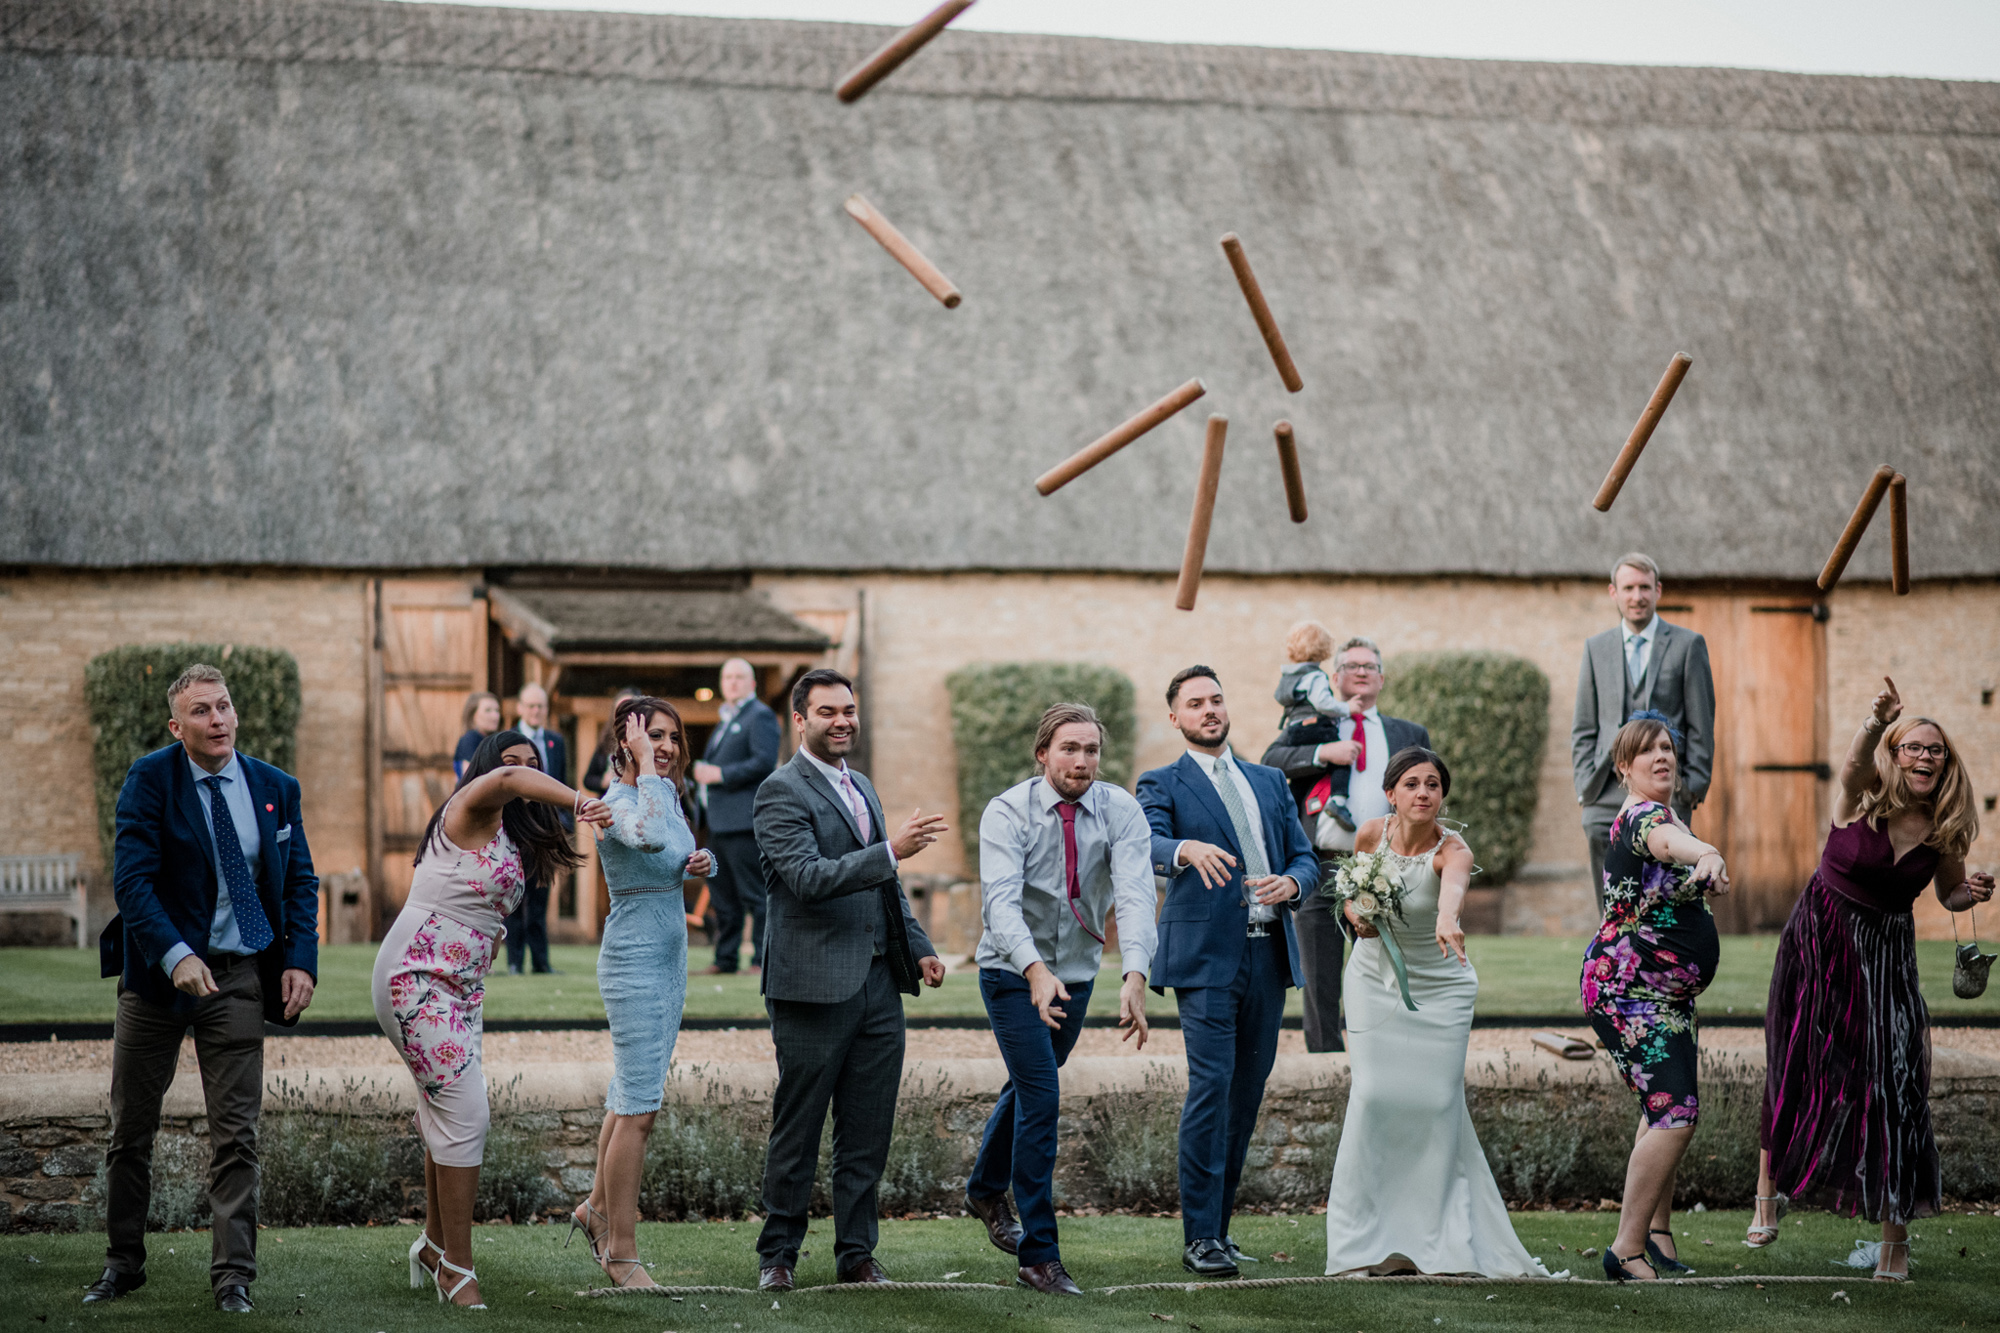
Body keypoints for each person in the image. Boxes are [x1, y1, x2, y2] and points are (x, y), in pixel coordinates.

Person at [91, 664, 321, 1314]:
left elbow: (301, 881)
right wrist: (175, 954)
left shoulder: (275, 787)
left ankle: (233, 1281)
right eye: (201, 710)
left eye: (223, 706)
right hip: (157, 980)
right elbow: (133, 882)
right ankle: (122, 1263)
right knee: (130, 1128)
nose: (217, 719)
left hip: (240, 974)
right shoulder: (149, 780)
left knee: (238, 1135)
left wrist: (299, 960)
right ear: (176, 725)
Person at [1751, 678, 1991, 1280]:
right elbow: (1857, 761)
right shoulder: (1860, 798)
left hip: (1886, 957)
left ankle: (1894, 1246)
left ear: (1947, 763)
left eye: (1935, 750)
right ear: (1895, 753)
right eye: (1913, 746)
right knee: (1796, 1060)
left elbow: (1949, 893)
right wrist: (1876, 719)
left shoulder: (1942, 829)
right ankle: (1766, 1199)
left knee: (1893, 1084)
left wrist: (1975, 890)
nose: (1925, 757)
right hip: (1820, 937)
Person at [373, 729, 609, 1308]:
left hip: (463, 988)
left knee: (445, 1112)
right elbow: (505, 781)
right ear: (488, 768)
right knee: (467, 1113)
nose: (523, 773)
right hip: (416, 977)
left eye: (535, 765)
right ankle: (457, 1268)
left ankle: (433, 1246)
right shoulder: (472, 805)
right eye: (513, 764)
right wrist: (577, 798)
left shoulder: (509, 834)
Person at [752, 668, 948, 1291]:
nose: (843, 721)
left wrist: (917, 948)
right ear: (800, 720)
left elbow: (885, 886)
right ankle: (777, 1256)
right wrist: (891, 850)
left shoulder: (860, 784)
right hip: (810, 986)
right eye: (829, 711)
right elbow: (808, 878)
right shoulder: (779, 791)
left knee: (866, 1133)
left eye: (849, 710)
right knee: (799, 1129)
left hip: (878, 987)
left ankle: (857, 1255)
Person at [1324, 747, 1551, 1277]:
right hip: (1372, 981)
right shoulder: (1369, 834)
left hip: (1442, 988)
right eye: (1411, 784)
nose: (1423, 792)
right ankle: (1365, 1243)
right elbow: (1353, 895)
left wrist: (1449, 919)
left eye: (1432, 784)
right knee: (1375, 1097)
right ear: (1391, 794)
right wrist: (1357, 912)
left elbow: (1451, 893)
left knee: (1435, 1102)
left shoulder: (1454, 850)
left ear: (1442, 795)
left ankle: (1436, 1240)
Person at [965, 703, 1158, 1296]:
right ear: (1043, 753)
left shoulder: (1119, 809)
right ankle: (1038, 1255)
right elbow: (999, 902)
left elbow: (1133, 892)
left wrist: (1134, 975)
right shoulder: (1006, 812)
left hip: (1076, 974)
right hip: (1009, 973)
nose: (1082, 761)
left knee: (1029, 1084)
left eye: (1091, 750)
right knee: (1043, 1097)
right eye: (1069, 749)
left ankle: (982, 1188)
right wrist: (1033, 970)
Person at [1137, 666, 1318, 1279]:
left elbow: (1305, 857)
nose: (1209, 710)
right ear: (1176, 718)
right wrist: (1184, 850)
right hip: (1206, 960)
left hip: (1269, 956)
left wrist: (1293, 881)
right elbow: (1147, 843)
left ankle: (1219, 1230)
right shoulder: (1161, 782)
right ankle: (1198, 1239)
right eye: (1195, 703)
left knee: (1245, 1097)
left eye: (1215, 699)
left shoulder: (1269, 780)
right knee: (1212, 1091)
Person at [568, 697, 715, 1288]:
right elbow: (648, 840)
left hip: (670, 954)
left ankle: (595, 1211)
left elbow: (668, 856)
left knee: (631, 1093)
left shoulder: (665, 794)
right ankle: (621, 1252)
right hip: (632, 959)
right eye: (655, 735)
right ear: (625, 741)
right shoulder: (612, 803)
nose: (670, 747)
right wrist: (648, 771)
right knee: (640, 1109)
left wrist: (697, 863)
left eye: (674, 737)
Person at [1580, 715, 1730, 1283]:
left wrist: (1702, 855)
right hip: (1631, 992)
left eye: (1666, 747)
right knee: (1675, 1117)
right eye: (1646, 752)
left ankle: (1655, 1235)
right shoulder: (1646, 818)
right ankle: (1625, 1251)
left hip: (1661, 994)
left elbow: (1677, 843)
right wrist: (1708, 853)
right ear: (1625, 768)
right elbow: (1671, 844)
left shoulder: (1665, 815)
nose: (1660, 757)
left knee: (1663, 1110)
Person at [1260, 636, 1430, 1053]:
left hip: (1386, 867)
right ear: (1334, 678)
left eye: (1368, 666)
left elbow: (1428, 794)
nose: (1360, 672)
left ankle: (1382, 1055)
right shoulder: (1312, 722)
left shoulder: (1409, 733)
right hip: (1318, 866)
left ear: (1381, 678)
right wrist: (1323, 752)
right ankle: (1325, 1063)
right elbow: (1269, 763)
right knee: (1319, 974)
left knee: (1384, 968)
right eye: (1350, 666)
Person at [1571, 554, 1715, 916]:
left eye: (1644, 588)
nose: (1637, 596)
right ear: (1613, 593)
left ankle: (1658, 957)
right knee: (1609, 888)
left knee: (1663, 880)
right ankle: (1611, 947)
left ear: (1658, 591)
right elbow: (1584, 726)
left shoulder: (1687, 645)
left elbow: (1702, 723)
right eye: (1629, 588)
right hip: (1603, 787)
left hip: (1666, 786)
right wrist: (1582, 782)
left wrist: (1691, 785)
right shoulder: (1596, 648)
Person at [692, 658, 780, 974]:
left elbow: (763, 762)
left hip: (743, 822)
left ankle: (761, 961)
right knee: (723, 897)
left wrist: (719, 773)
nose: (732, 682)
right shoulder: (725, 720)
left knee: (755, 895)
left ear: (752, 683)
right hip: (717, 822)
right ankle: (725, 959)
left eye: (739, 677)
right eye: (727, 677)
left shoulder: (760, 716)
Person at [505, 683, 567, 974]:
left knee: (540, 899)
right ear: (520, 708)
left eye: (540, 706)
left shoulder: (556, 742)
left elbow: (561, 783)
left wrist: (562, 824)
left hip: (545, 831)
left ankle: (542, 964)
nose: (536, 711)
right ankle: (515, 962)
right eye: (530, 706)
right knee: (514, 898)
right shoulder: (506, 742)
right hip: (515, 828)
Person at [1272, 619, 1355, 730]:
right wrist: (1347, 708)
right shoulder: (1315, 676)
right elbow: (1323, 703)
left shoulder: (1289, 675)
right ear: (1324, 647)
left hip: (1292, 727)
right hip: (1313, 728)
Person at [453, 691, 501, 780]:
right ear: (473, 715)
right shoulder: (469, 740)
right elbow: (471, 778)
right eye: (488, 710)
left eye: (497, 710)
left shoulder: (494, 740)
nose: (495, 716)